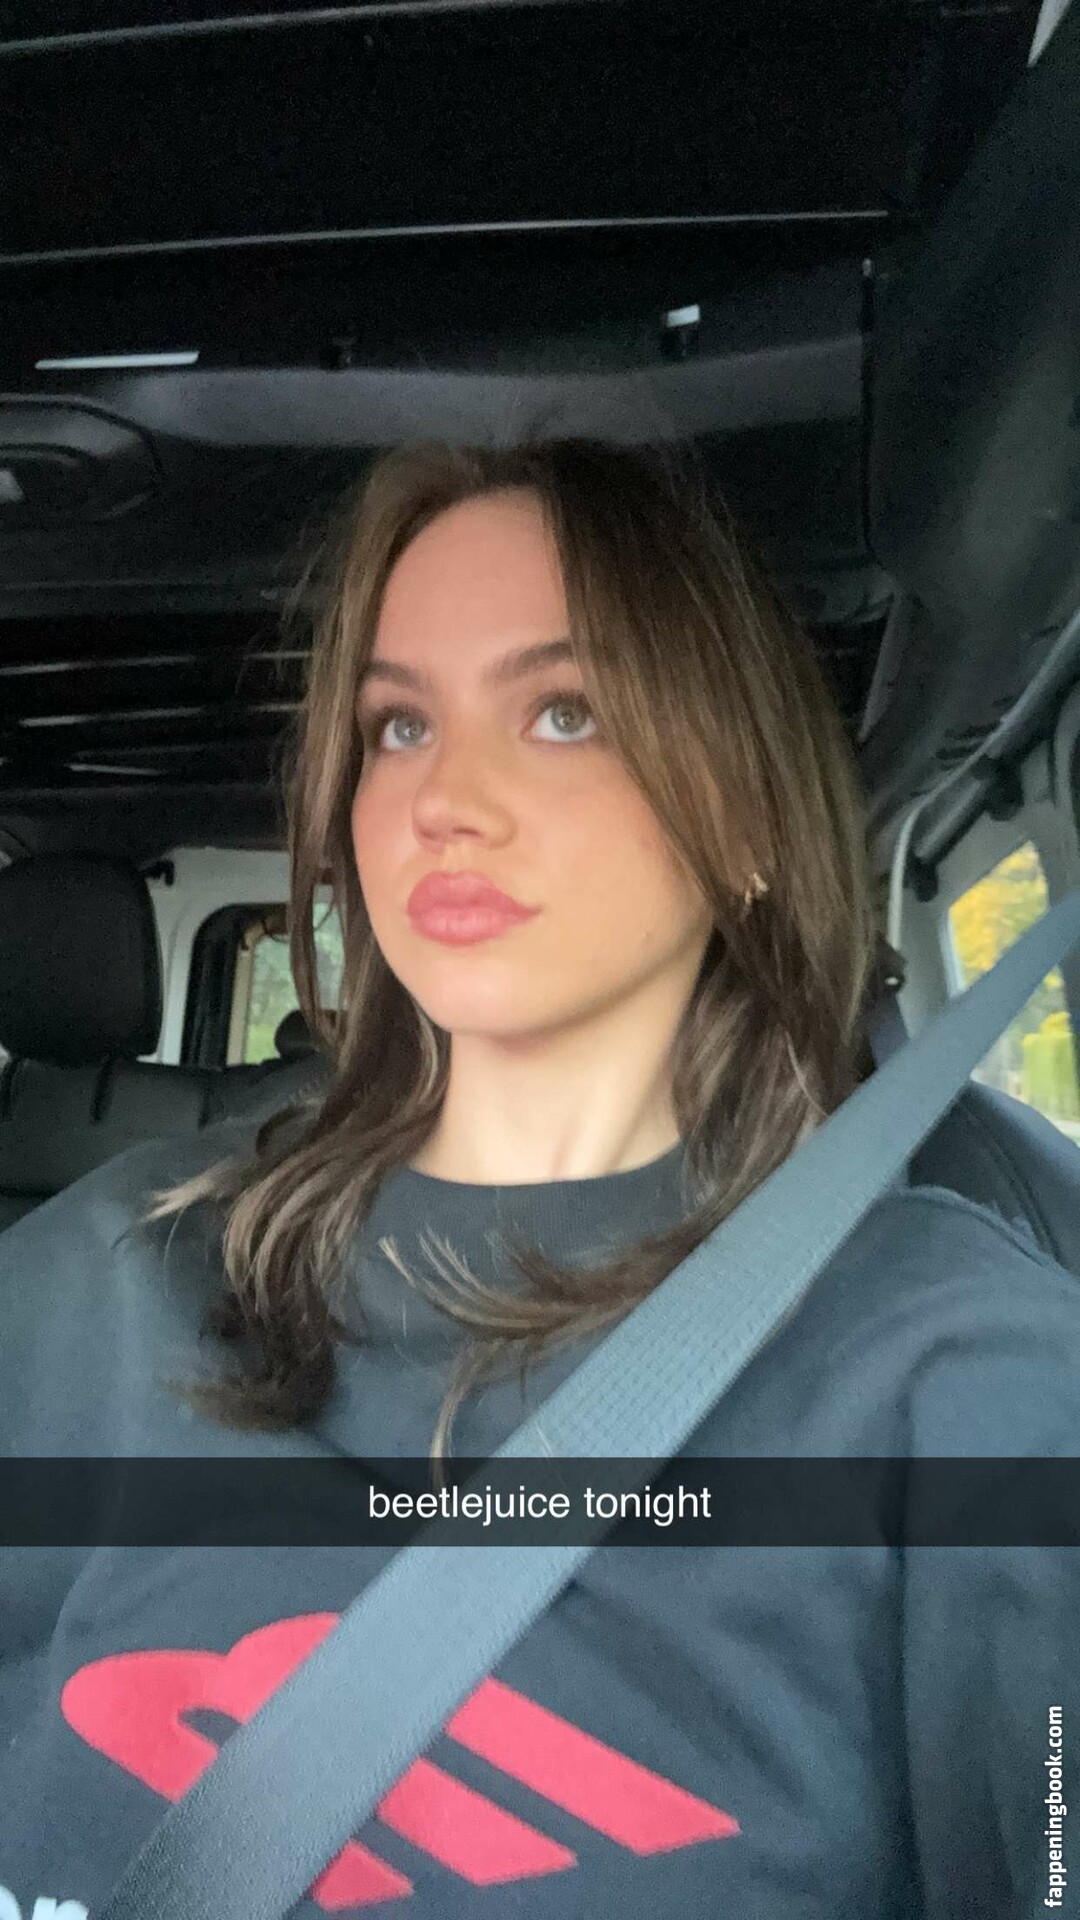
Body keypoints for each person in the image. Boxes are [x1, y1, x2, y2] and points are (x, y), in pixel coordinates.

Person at [0, 434, 1078, 1919]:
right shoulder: (105, 1271)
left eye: (565, 713)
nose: (445, 798)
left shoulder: (963, 1369)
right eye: (398, 727)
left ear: (746, 820)